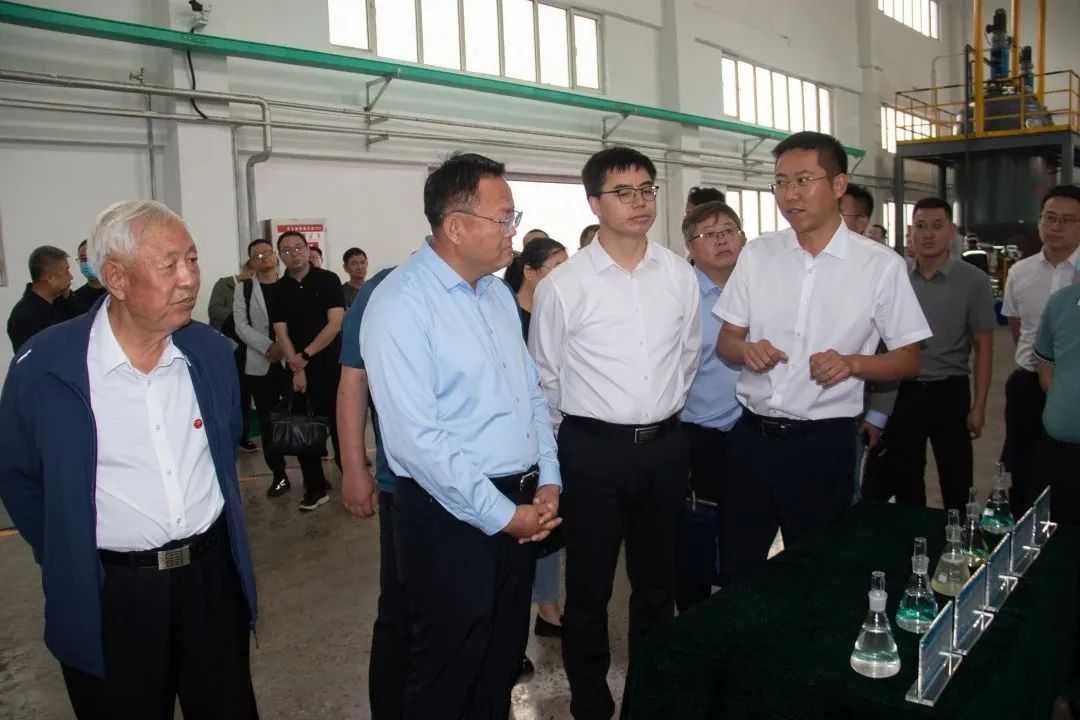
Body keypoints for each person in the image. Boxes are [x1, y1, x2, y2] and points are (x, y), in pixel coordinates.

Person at [0, 200, 258, 719]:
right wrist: (66, 551)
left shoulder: (209, 352)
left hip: (211, 582)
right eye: (169, 265)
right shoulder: (46, 366)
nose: (189, 279)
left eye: (192, 259)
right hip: (112, 592)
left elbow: (225, 441)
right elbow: (19, 475)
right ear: (116, 278)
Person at [361, 152, 561, 719]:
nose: (513, 231)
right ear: (455, 226)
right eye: (504, 218)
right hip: (449, 514)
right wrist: (503, 515)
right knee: (447, 669)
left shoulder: (495, 295)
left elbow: (530, 395)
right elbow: (417, 442)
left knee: (499, 661)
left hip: (519, 505)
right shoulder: (400, 304)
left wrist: (548, 479)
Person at [714, 131, 930, 585]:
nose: (790, 195)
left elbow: (910, 358)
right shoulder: (759, 254)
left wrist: (853, 364)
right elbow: (727, 342)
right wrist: (746, 350)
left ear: (838, 185)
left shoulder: (879, 266)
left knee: (817, 573)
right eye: (781, 183)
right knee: (737, 568)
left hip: (822, 446)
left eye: (803, 180)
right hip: (751, 440)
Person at [531, 145, 701, 720]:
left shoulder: (678, 274)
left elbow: (688, 357)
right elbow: (546, 377)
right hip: (592, 453)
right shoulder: (564, 286)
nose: (639, 202)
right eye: (623, 192)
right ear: (594, 202)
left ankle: (650, 695)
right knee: (589, 588)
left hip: (665, 449)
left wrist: (657, 413)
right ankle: (590, 701)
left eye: (647, 189)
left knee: (657, 585)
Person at [862, 197, 996, 512]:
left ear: (952, 231)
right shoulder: (896, 276)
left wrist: (979, 406)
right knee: (906, 479)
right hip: (903, 391)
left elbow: (984, 348)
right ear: (911, 232)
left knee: (956, 478)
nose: (928, 234)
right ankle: (914, 538)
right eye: (920, 226)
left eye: (937, 226)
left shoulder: (972, 281)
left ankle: (957, 537)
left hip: (949, 391)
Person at [337, 263, 404, 719]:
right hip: (405, 485)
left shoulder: (491, 294)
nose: (507, 235)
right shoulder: (385, 288)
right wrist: (354, 467)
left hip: (485, 488)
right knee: (401, 608)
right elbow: (353, 379)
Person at [675, 200, 744, 612]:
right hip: (697, 438)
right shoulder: (679, 298)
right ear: (690, 246)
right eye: (708, 234)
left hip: (752, 432)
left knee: (745, 541)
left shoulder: (759, 289)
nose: (721, 240)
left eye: (728, 230)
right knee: (694, 549)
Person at [1001, 184, 1080, 513]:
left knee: (1067, 479)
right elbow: (1018, 329)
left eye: (1067, 220)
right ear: (1039, 221)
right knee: (1022, 470)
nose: (1056, 226)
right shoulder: (1020, 272)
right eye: (1050, 217)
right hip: (1028, 386)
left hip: (1072, 391)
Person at [507, 237, 570, 644]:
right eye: (556, 268)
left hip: (554, 434)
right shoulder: (507, 314)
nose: (566, 276)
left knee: (549, 524)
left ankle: (548, 609)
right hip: (516, 440)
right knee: (520, 531)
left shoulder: (559, 311)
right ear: (529, 273)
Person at [269, 230, 346, 511]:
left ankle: (353, 480)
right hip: (298, 370)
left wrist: (305, 356)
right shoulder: (278, 290)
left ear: (307, 248)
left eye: (298, 248)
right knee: (304, 431)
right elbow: (281, 333)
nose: (294, 254)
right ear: (280, 256)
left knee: (342, 427)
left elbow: (334, 324)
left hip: (331, 366)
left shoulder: (328, 280)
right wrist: (296, 367)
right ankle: (315, 488)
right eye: (287, 250)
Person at [233, 238, 292, 497]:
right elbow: (241, 326)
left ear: (276, 256)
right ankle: (279, 475)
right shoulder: (244, 289)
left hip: (292, 362)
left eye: (267, 252)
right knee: (268, 422)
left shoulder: (290, 284)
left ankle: (312, 475)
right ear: (250, 262)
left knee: (300, 417)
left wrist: (285, 348)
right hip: (260, 364)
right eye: (256, 255)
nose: (263, 258)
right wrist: (268, 347)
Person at [1034, 279, 1080, 524]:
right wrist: (1064, 404)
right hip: (1059, 445)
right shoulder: (1061, 302)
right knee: (1055, 525)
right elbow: (1046, 367)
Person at [208, 262, 257, 454]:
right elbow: (214, 310)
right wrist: (240, 313)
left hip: (249, 348)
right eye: (252, 274)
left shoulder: (256, 289)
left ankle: (243, 437)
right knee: (230, 395)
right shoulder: (225, 284)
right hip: (226, 348)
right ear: (245, 269)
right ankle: (227, 437)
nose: (253, 279)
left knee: (246, 394)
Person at [6, 245, 80, 352]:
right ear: (49, 277)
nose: (71, 277)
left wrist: (68, 295)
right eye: (66, 271)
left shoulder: (61, 303)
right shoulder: (25, 316)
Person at [74, 239, 108, 307]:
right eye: (83, 259)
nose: (87, 262)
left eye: (91, 258)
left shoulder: (115, 292)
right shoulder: (76, 297)